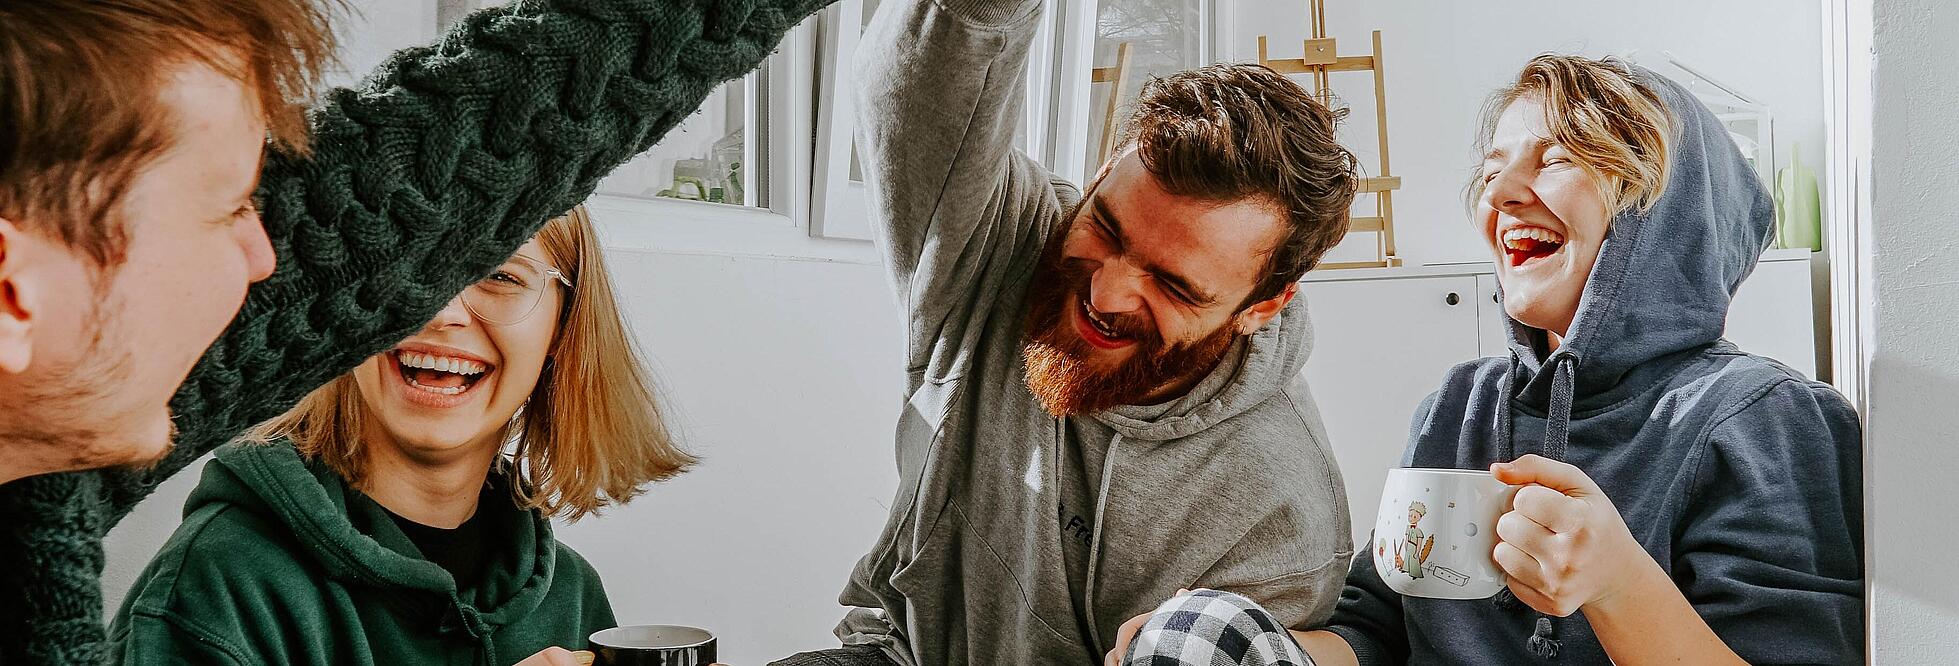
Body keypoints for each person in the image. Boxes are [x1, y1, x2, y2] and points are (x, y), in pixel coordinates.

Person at [0, 1, 835, 661]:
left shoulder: (45, 489)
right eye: (225, 211)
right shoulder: (213, 576)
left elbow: (472, 139)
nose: (265, 260)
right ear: (13, 294)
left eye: (502, 279)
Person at [1109, 55, 1864, 666]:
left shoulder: (1765, 418)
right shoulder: (1460, 403)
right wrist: (1259, 651)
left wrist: (1617, 584)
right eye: (1494, 167)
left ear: (1663, 211)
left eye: (1557, 158)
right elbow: (1380, 624)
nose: (1499, 193)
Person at [771, 0, 1363, 663]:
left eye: (1172, 285)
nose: (1103, 293)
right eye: (1105, 227)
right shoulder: (1000, 242)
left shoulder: (1278, 513)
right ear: (1104, 172)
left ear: (1263, 304)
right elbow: (915, 90)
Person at [109, 206, 686, 666]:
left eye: (500, 274)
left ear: (563, 326)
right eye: (414, 265)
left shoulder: (572, 594)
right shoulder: (216, 586)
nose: (444, 312)